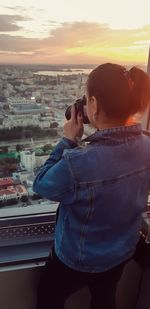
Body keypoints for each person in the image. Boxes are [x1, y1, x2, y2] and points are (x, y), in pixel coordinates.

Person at [33, 63, 150, 309]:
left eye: (87, 100)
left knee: (48, 298)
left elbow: (42, 184)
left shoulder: (78, 163)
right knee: (105, 299)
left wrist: (67, 140)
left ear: (94, 105)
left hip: (77, 259)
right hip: (121, 251)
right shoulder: (147, 148)